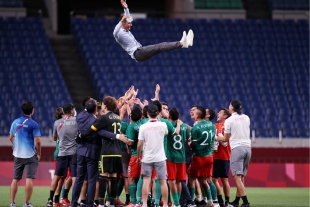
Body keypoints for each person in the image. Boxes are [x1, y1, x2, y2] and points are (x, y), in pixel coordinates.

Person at [72, 99, 128, 207]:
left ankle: (74, 203)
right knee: (93, 180)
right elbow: (101, 132)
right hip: (94, 152)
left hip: (80, 151)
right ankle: (91, 204)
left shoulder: (79, 117)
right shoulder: (98, 120)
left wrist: (80, 136)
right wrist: (117, 136)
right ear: (95, 108)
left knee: (79, 179)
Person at [113, 0, 194, 62]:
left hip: (140, 53)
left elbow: (127, 17)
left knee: (160, 47)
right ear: (123, 23)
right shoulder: (119, 34)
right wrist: (121, 21)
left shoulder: (125, 29)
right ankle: (181, 43)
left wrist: (126, 8)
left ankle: (184, 44)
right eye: (129, 23)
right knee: (159, 46)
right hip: (138, 53)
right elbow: (114, 32)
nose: (131, 25)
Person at [216, 100, 251, 207]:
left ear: (232, 108)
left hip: (237, 148)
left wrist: (216, 137)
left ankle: (245, 202)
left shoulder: (229, 120)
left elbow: (225, 139)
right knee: (241, 177)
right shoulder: (246, 117)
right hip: (248, 148)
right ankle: (236, 201)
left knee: (236, 177)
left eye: (230, 105)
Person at [9, 102, 41, 207]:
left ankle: (12, 203)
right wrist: (39, 154)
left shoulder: (15, 122)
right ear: (32, 111)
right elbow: (38, 142)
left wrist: (15, 146)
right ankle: (26, 203)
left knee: (15, 179)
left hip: (18, 155)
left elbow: (11, 137)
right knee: (29, 179)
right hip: (30, 155)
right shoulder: (34, 124)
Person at [137, 104, 169, 207]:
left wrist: (138, 157)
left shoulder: (143, 127)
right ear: (159, 113)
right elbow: (166, 133)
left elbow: (139, 144)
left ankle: (145, 204)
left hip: (147, 158)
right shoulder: (163, 125)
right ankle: (164, 204)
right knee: (163, 182)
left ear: (147, 113)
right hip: (160, 157)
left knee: (146, 181)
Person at [47, 103, 78, 207]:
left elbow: (55, 138)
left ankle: (50, 200)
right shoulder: (76, 121)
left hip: (62, 153)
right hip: (74, 153)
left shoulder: (57, 123)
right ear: (71, 111)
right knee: (74, 177)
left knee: (57, 176)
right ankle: (74, 201)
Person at [188, 106, 216, 207]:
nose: (193, 115)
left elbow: (193, 144)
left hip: (198, 157)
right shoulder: (212, 125)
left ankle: (191, 201)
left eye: (195, 113)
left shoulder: (196, 127)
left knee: (192, 179)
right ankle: (210, 201)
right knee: (204, 180)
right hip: (209, 157)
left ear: (198, 115)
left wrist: (189, 144)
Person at [166, 108, 190, 207]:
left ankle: (176, 203)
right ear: (179, 116)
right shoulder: (184, 126)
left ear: (169, 116)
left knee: (171, 180)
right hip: (182, 157)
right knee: (179, 181)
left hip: (171, 157)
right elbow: (188, 139)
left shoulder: (168, 126)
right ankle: (178, 204)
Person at [212, 108, 233, 207]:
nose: (218, 114)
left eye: (220, 113)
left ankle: (227, 201)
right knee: (213, 180)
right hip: (214, 156)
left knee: (224, 180)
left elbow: (225, 143)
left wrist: (218, 138)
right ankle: (220, 200)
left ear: (225, 116)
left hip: (224, 157)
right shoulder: (215, 126)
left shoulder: (228, 127)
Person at [126, 107, 142, 207]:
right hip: (144, 155)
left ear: (131, 116)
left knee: (131, 178)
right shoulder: (142, 124)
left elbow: (131, 142)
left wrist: (123, 139)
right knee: (142, 178)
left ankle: (133, 201)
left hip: (135, 155)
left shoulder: (131, 126)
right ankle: (140, 201)